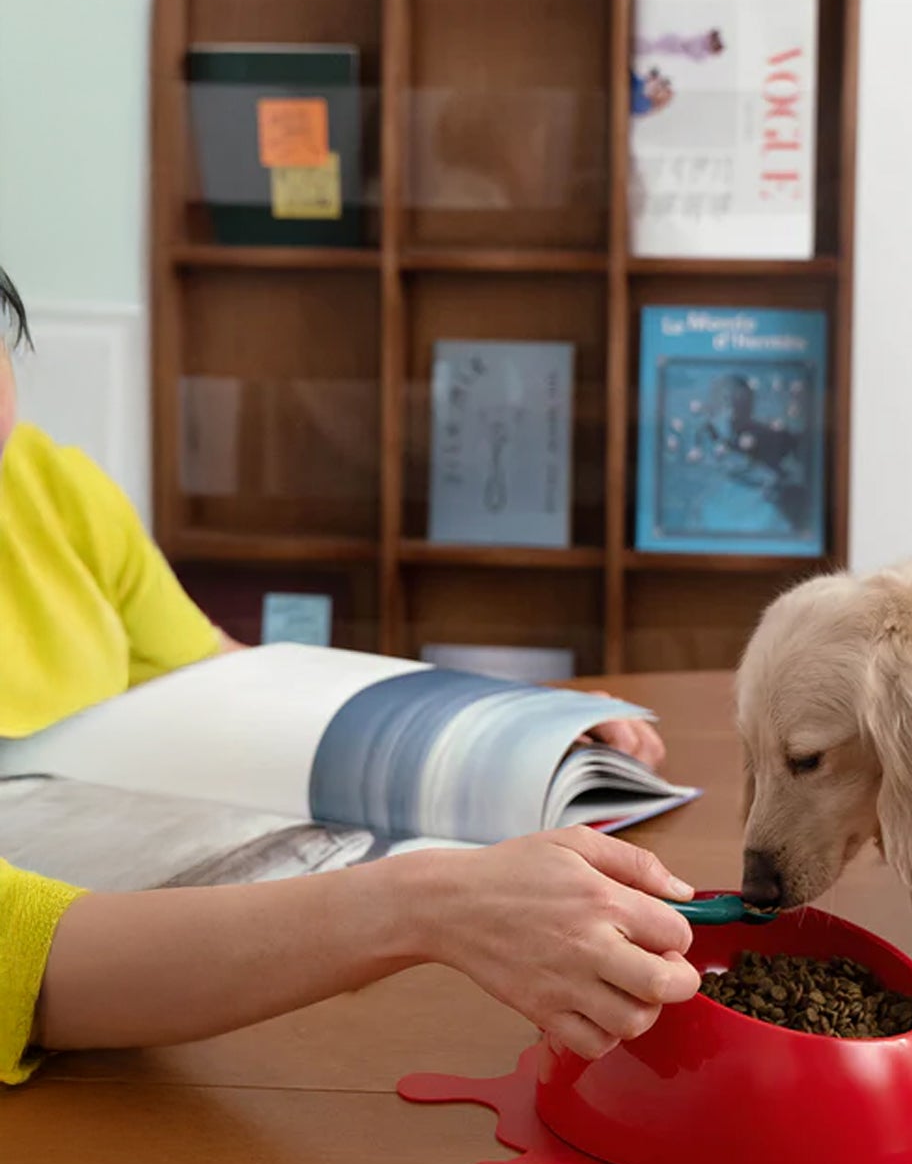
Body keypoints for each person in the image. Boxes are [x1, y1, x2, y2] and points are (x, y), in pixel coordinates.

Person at [0, 264, 698, 1085]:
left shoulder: (45, 487)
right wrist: (428, 905)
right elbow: (30, 970)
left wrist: (495, 723)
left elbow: (224, 681)